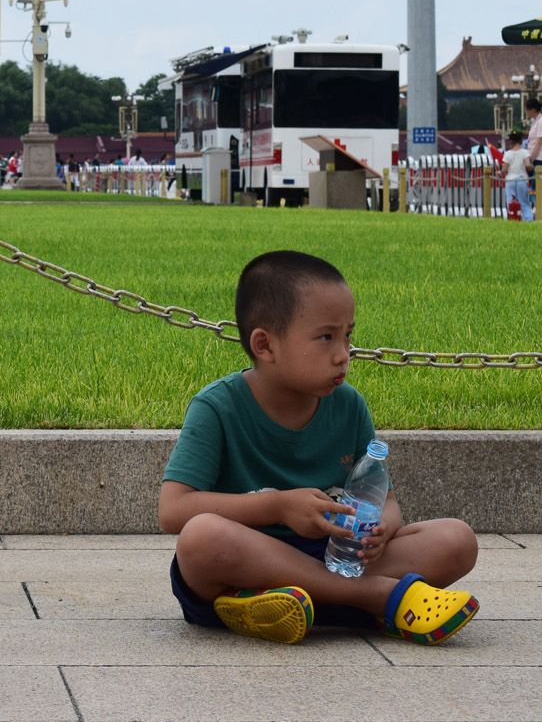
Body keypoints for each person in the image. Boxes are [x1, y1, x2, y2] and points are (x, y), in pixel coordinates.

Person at [159, 251, 479, 645]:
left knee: (456, 539)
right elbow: (173, 510)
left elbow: (387, 499)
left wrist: (383, 526)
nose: (343, 353)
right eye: (326, 337)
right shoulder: (217, 407)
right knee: (201, 538)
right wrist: (278, 506)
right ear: (265, 345)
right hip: (253, 557)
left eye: (348, 336)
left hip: (338, 557)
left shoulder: (349, 405)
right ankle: (377, 599)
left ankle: (289, 603)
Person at [524, 98, 542, 217]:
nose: (526, 112)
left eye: (527, 110)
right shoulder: (536, 121)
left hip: (539, 159)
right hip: (535, 158)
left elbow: (539, 143)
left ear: (533, 109)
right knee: (536, 189)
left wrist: (531, 160)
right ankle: (540, 212)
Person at [501, 130, 532, 221]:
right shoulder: (525, 152)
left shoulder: (507, 154)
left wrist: (500, 172)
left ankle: (513, 219)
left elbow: (505, 169)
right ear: (521, 141)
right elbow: (528, 166)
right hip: (522, 180)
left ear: (511, 141)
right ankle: (528, 220)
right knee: (524, 203)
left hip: (510, 180)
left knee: (510, 202)